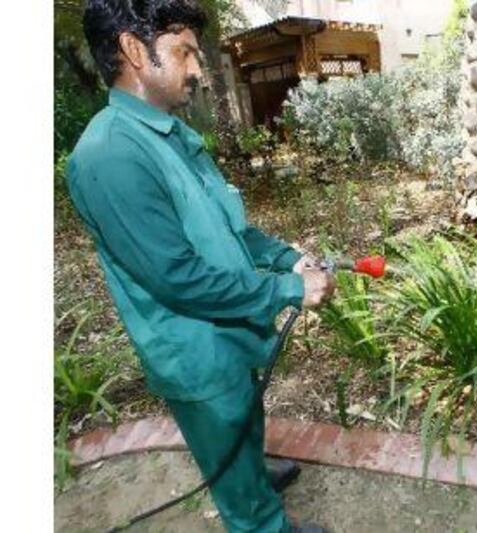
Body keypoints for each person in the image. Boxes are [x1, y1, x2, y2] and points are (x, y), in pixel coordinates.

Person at [66, 1, 336, 531]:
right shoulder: (110, 155)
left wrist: (286, 257)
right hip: (195, 348)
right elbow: (177, 279)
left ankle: (248, 472)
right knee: (225, 430)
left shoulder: (174, 137)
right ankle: (260, 517)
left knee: (244, 414)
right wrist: (287, 289)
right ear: (132, 51)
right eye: (185, 52)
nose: (198, 68)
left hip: (230, 327)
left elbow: (228, 226)